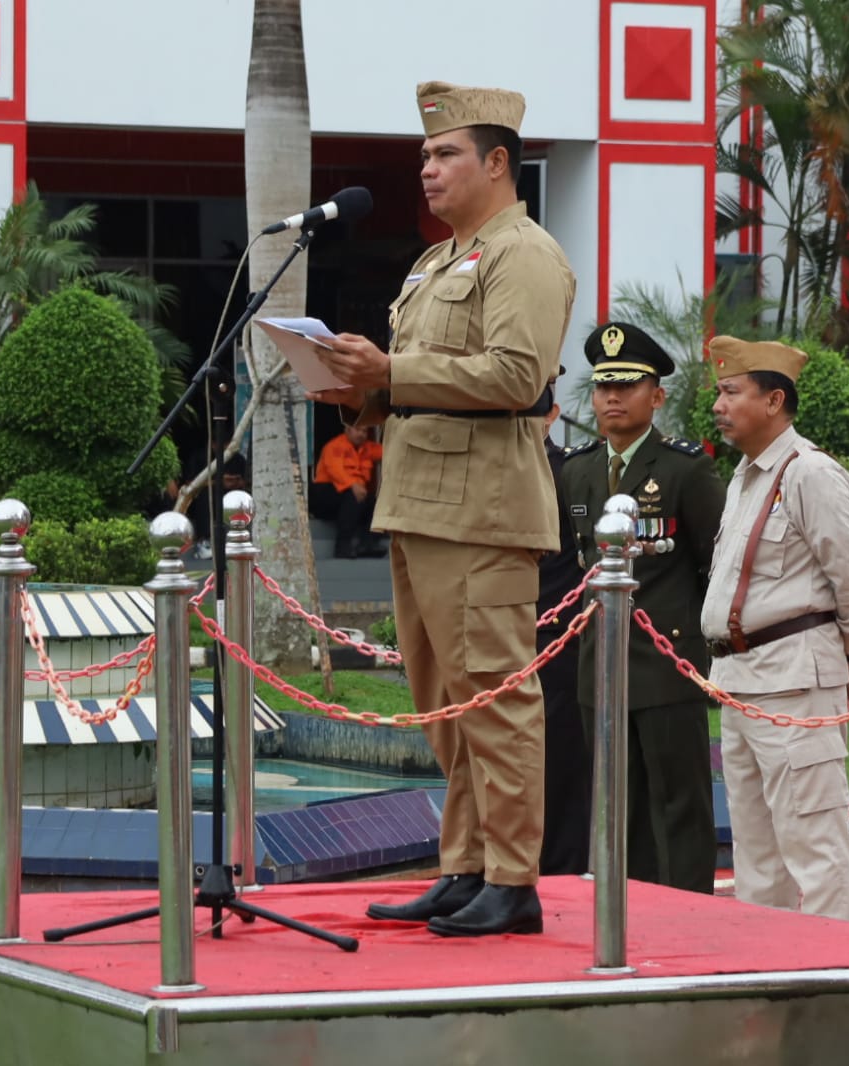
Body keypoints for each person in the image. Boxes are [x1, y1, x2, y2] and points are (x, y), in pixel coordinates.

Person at [309, 81, 576, 937]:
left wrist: (390, 372)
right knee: (442, 701)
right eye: (424, 155)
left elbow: (514, 377)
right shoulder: (433, 262)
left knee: (493, 696)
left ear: (497, 162)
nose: (426, 169)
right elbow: (419, 388)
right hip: (418, 499)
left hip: (482, 508)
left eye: (444, 153)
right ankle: (464, 866)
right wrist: (356, 388)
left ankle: (513, 878)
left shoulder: (521, 254)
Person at [699, 336, 849, 921]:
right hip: (740, 681)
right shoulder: (747, 477)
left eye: (732, 392)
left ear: (774, 400)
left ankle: (830, 978)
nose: (718, 405)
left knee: (814, 845)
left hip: (794, 683)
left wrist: (843, 652)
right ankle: (769, 975)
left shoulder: (810, 474)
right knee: (756, 853)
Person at [560, 322, 726, 893]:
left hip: (665, 661)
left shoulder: (685, 469)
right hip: (596, 664)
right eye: (604, 386)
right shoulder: (577, 469)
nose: (612, 397)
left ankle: (687, 907)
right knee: (613, 799)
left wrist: (698, 644)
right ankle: (627, 905)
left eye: (627, 386)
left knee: (677, 798)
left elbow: (715, 562)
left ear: (656, 396)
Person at [537, 380, 591, 877]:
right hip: (502, 639)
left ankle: (560, 869)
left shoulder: (570, 474)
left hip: (555, 638)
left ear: (552, 413)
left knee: (559, 767)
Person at [311, 424, 386, 558]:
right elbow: (335, 470)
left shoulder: (367, 448)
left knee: (376, 504)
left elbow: (388, 452)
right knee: (353, 497)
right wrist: (353, 485)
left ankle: (367, 544)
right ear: (347, 430)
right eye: (358, 430)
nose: (361, 434)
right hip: (325, 496)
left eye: (364, 431)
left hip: (351, 496)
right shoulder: (335, 446)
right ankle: (342, 547)